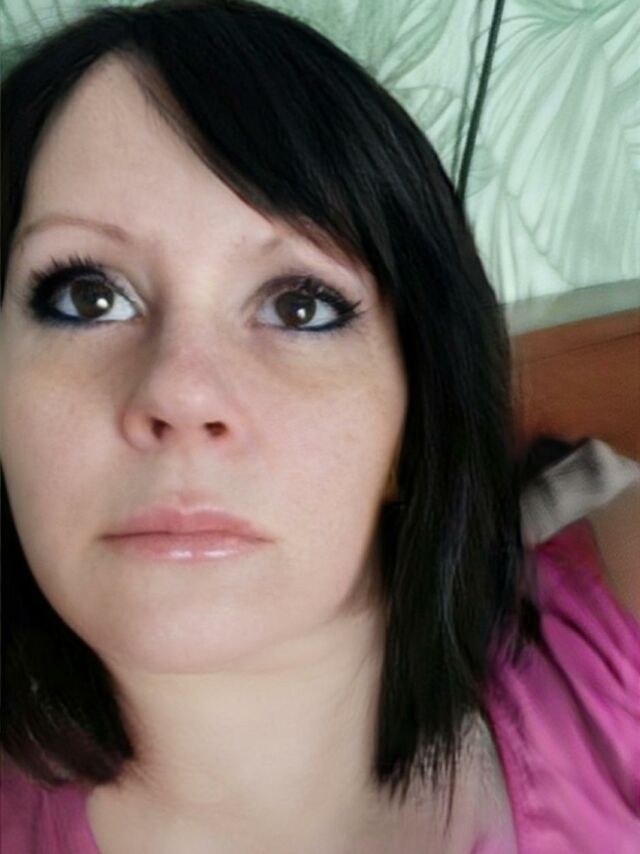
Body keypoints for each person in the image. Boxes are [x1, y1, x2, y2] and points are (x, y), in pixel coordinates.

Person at [0, 2, 637, 851]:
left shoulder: (605, 656)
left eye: (301, 306)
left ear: (416, 415)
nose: (181, 392)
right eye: (87, 298)